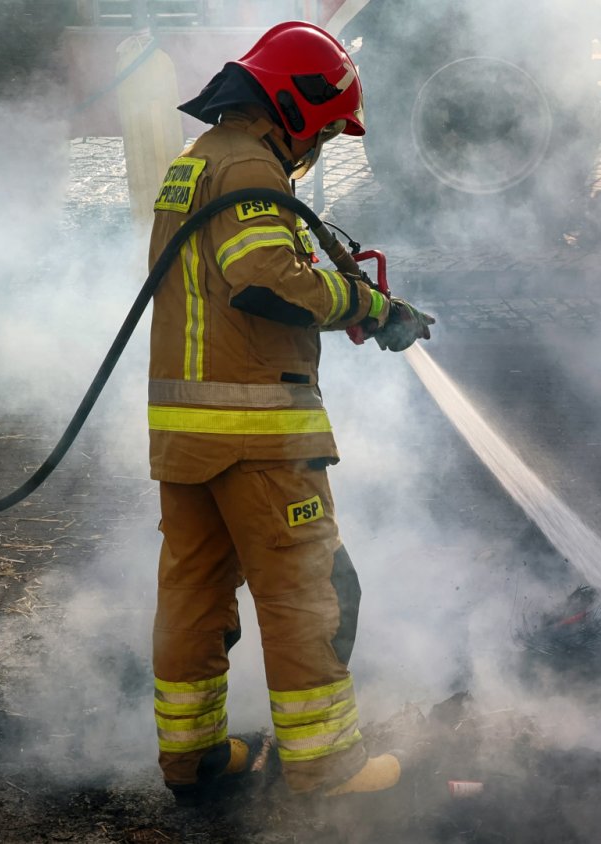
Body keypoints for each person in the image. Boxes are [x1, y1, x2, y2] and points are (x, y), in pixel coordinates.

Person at [145, 20, 433, 805]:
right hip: (257, 433)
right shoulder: (247, 168)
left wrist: (346, 296)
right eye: (329, 129)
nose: (324, 145)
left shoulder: (197, 162)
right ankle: (326, 769)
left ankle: (194, 760)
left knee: (195, 595)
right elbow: (263, 276)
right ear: (298, 104)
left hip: (186, 434)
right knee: (310, 592)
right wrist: (366, 303)